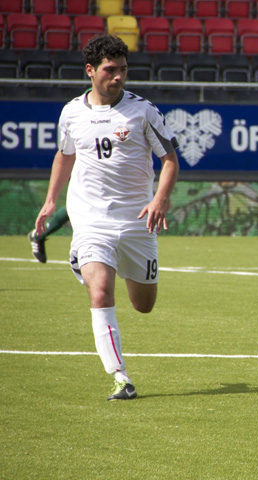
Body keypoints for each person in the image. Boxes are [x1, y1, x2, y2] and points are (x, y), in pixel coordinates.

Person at [34, 35, 180, 401]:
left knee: (144, 305)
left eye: (123, 70)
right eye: (110, 70)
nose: (118, 78)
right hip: (91, 218)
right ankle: (120, 377)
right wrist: (51, 201)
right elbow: (64, 155)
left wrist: (160, 198)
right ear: (90, 71)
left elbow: (170, 160)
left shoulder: (143, 111)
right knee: (100, 290)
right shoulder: (72, 112)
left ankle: (99, 265)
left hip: (136, 220)